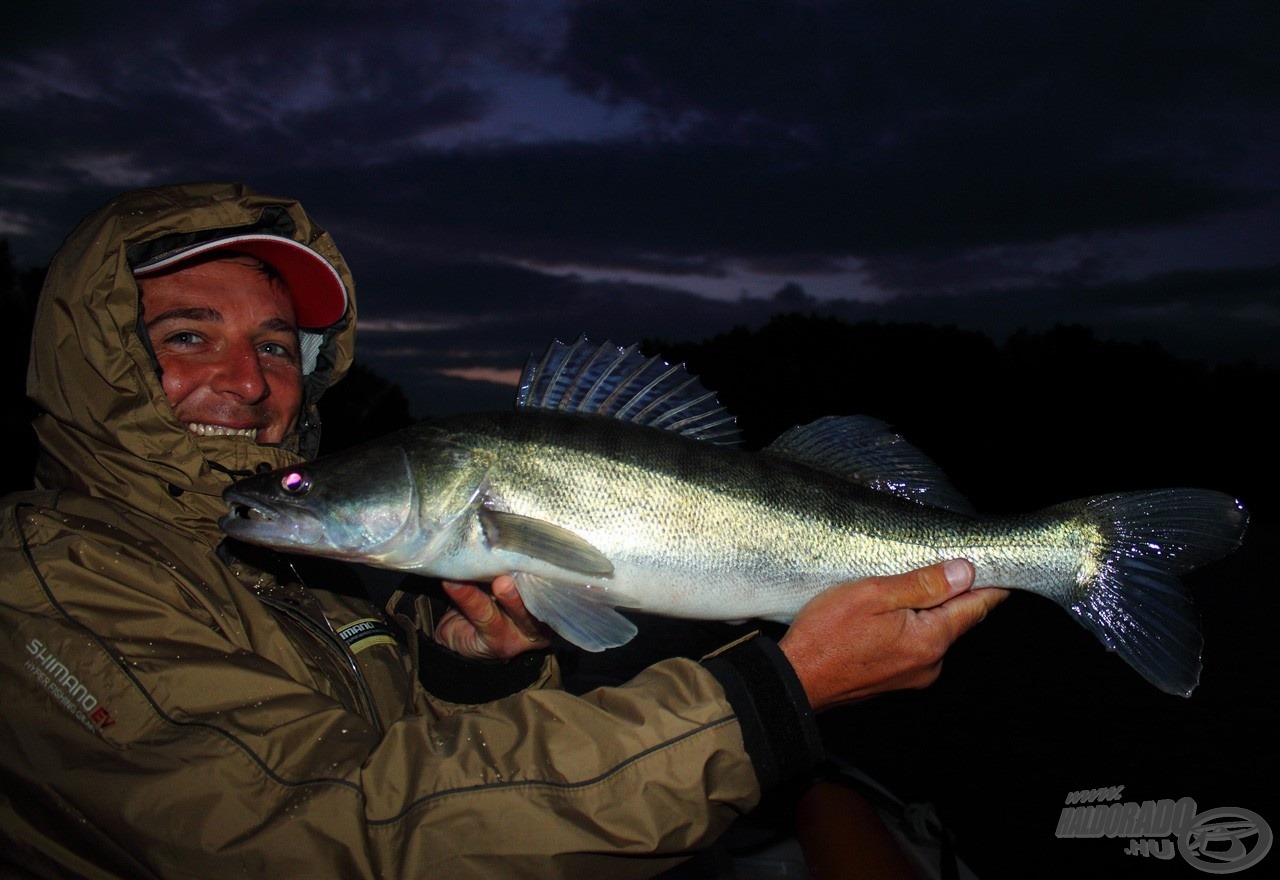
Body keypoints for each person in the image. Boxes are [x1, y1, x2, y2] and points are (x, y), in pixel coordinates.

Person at [0, 182, 1006, 879]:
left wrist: (459, 673)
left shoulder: (283, 575)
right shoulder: (48, 584)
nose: (249, 379)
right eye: (187, 336)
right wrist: (775, 697)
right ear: (94, 354)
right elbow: (322, 840)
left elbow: (407, 768)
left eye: (274, 344)